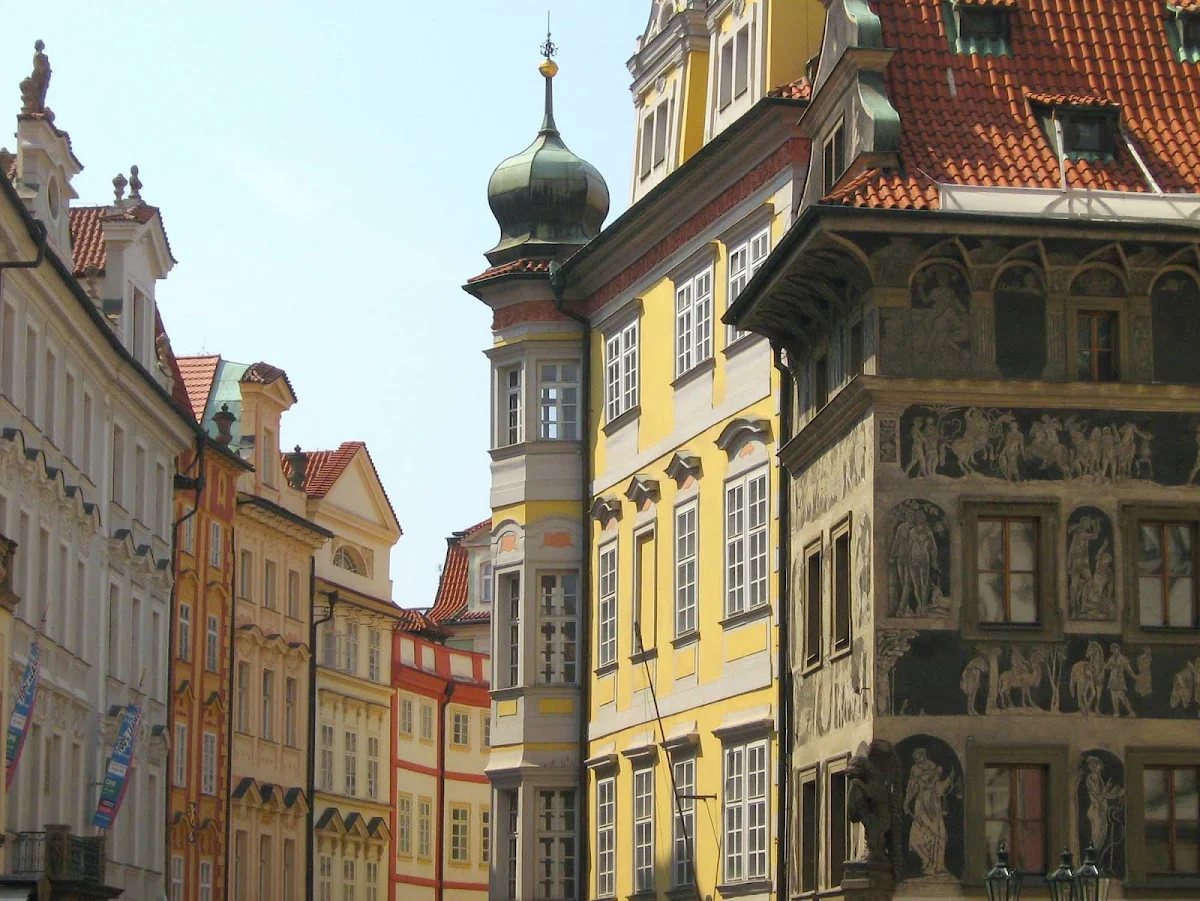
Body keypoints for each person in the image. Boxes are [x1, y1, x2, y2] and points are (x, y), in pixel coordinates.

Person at [904, 748, 954, 876]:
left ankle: (938, 865)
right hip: (921, 802)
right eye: (915, 758)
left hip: (934, 802)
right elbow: (912, 788)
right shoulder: (915, 770)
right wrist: (906, 802)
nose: (917, 760)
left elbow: (939, 787)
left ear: (924, 755)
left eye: (918, 757)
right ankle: (926, 861)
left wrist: (948, 782)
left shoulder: (936, 768)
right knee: (919, 831)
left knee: (939, 832)